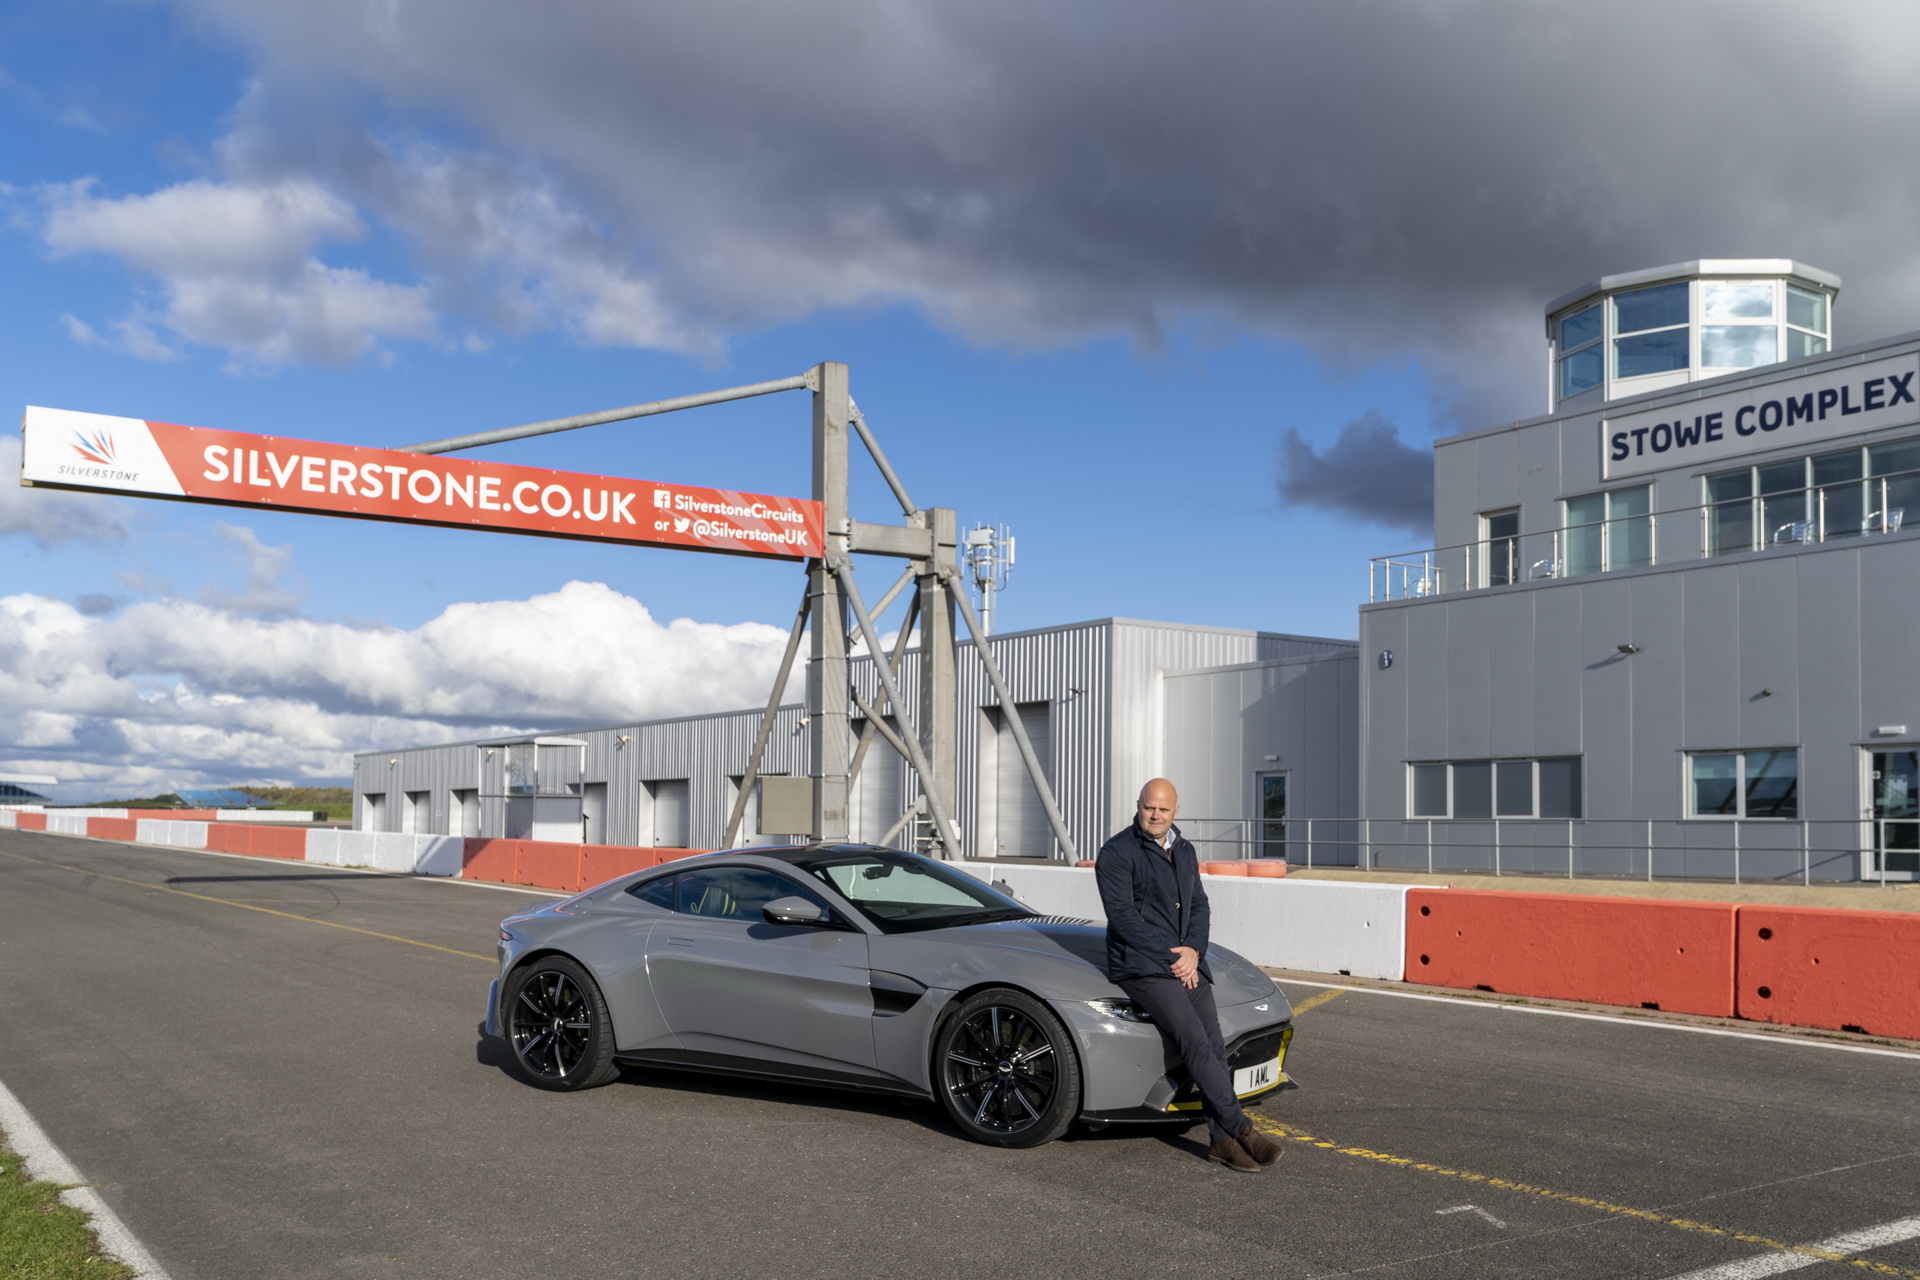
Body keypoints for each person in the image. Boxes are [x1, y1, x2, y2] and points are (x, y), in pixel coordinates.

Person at [1094, 778, 1283, 1174]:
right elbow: (1123, 917)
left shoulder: (1184, 848)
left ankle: (1220, 1142)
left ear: (1176, 811)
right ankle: (1242, 1129)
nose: (1155, 815)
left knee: (1214, 1046)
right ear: (1138, 805)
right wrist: (1173, 957)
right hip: (1142, 965)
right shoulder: (1116, 852)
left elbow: (1199, 904)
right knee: (1195, 1042)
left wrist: (1194, 951)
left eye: (1163, 809)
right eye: (1149, 807)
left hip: (1186, 961)